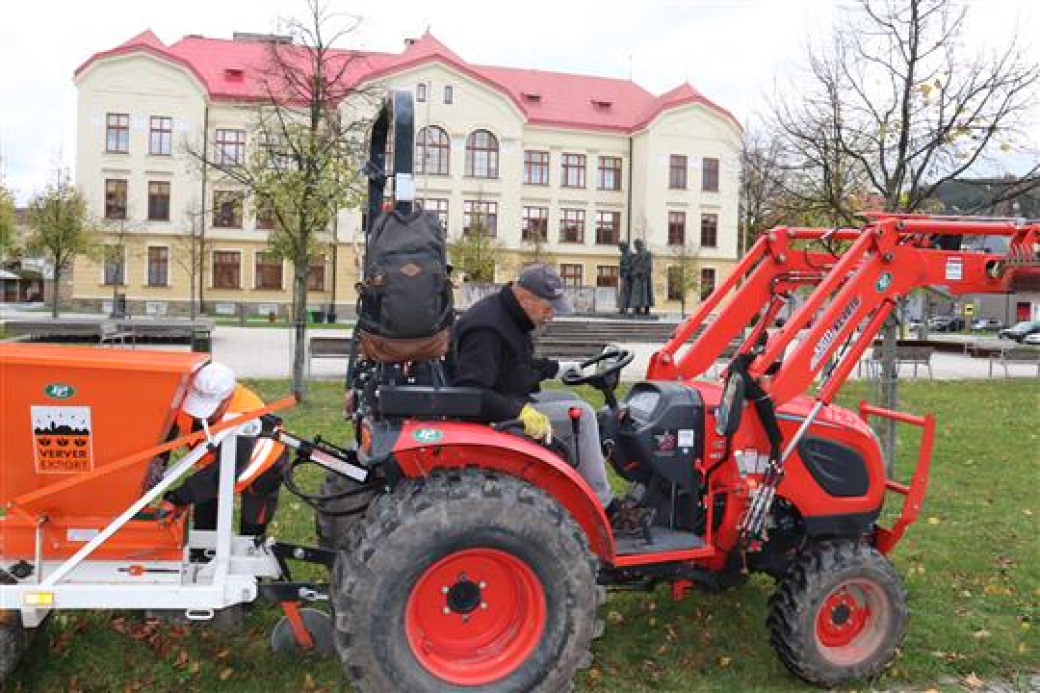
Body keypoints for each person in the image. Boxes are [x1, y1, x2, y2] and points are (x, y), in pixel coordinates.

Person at [452, 264, 634, 523]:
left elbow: (516, 368)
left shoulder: (507, 317)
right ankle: (604, 508)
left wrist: (564, 369)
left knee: (573, 402)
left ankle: (575, 492)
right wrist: (519, 412)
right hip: (492, 418)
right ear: (525, 299)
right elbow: (469, 391)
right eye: (548, 308)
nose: (552, 316)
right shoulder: (488, 328)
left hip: (508, 398)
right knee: (581, 416)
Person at [152, 363, 287, 538]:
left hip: (261, 467)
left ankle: (250, 550)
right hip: (215, 462)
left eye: (211, 409)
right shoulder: (185, 397)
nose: (202, 416)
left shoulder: (243, 415)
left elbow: (226, 472)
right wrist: (157, 463)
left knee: (251, 530)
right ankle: (203, 556)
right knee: (205, 518)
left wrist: (177, 498)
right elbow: (166, 434)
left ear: (227, 399)